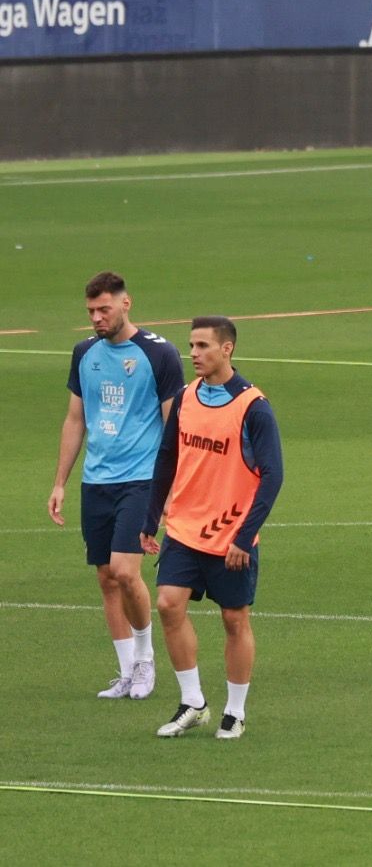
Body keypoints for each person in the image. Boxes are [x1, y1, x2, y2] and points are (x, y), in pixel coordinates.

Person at [142, 316, 283, 739]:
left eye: (203, 346)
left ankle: (235, 711)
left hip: (230, 537)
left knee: (234, 620)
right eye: (191, 345)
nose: (194, 354)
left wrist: (244, 536)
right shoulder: (186, 397)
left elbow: (272, 476)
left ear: (227, 349)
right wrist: (150, 519)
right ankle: (193, 702)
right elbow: (167, 457)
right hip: (184, 528)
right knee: (168, 604)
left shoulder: (253, 407)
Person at [49, 272, 184, 702]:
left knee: (127, 573)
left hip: (141, 479)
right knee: (106, 578)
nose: (96, 318)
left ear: (126, 304)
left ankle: (146, 661)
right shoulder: (84, 353)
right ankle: (126, 671)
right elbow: (76, 419)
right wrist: (60, 483)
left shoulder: (158, 354)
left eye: (103, 309)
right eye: (90, 311)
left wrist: (171, 491)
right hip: (97, 480)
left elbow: (173, 424)